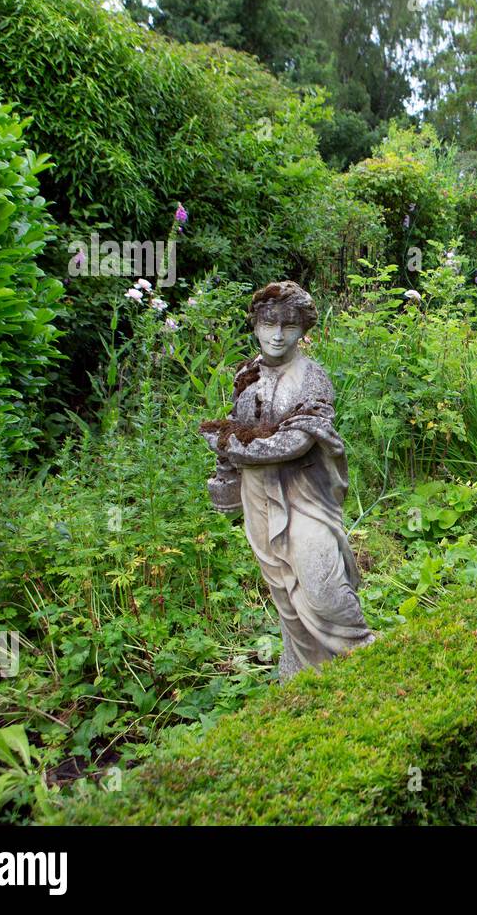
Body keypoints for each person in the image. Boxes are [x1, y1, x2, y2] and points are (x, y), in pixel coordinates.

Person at [200, 281, 373, 679]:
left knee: (322, 586)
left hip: (304, 495)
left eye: (289, 325)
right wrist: (225, 466)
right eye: (269, 323)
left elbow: (294, 442)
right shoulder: (245, 375)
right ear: (256, 325)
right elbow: (236, 423)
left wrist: (228, 444)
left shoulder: (313, 378)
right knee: (285, 592)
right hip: (258, 496)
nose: (278, 335)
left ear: (304, 329)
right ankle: (303, 677)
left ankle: (367, 665)